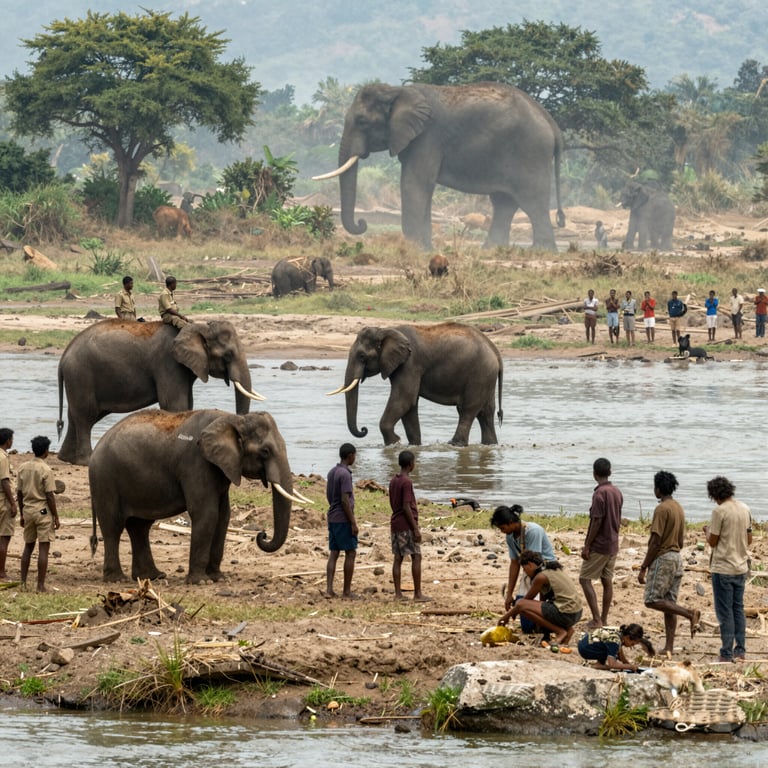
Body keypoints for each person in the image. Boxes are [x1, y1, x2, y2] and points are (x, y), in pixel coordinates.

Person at [638, 470, 701, 655]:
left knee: (652, 599)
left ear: (658, 488)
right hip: (677, 558)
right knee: (669, 603)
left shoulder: (662, 509)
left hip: (663, 558)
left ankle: (690, 613)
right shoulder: (678, 507)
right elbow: (681, 541)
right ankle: (669, 647)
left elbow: (656, 541)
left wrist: (644, 567)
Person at [704, 476, 752, 663]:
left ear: (714, 494)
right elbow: (749, 539)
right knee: (738, 609)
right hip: (741, 566)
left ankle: (726, 653)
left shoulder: (719, 511)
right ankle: (740, 650)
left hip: (723, 567)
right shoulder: (744, 508)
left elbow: (713, 541)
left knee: (725, 612)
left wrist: (707, 531)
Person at [491, 504, 556, 632]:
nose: (502, 531)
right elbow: (514, 563)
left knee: (531, 610)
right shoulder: (510, 537)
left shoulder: (533, 531)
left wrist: (523, 602)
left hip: (544, 570)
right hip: (529, 571)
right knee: (527, 626)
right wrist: (509, 594)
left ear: (511, 522)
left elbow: (534, 563)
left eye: (503, 527)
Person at [498, 551, 583, 646]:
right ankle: (568, 630)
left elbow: (523, 602)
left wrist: (506, 617)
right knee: (524, 608)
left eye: (524, 569)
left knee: (521, 605)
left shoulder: (540, 577)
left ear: (529, 565)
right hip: (576, 613)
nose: (525, 572)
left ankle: (560, 632)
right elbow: (542, 602)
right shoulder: (551, 569)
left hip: (566, 613)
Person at [580, 457, 623, 629]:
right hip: (613, 543)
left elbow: (596, 521)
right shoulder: (616, 492)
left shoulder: (599, 494)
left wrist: (587, 545)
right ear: (610, 472)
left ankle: (597, 618)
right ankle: (604, 619)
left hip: (600, 544)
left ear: (594, 474)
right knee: (607, 580)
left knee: (584, 579)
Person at [16, 435, 60, 593]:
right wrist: (55, 516)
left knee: (28, 546)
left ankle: (23, 583)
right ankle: (40, 586)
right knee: (43, 548)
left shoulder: (23, 467)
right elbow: (50, 495)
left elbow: (19, 494)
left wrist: (21, 513)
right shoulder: (46, 469)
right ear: (46, 451)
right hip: (42, 511)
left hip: (27, 510)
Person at [389, 450, 430, 602]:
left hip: (395, 523)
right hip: (406, 524)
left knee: (398, 558)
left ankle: (398, 594)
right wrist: (415, 528)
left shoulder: (394, 480)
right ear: (410, 464)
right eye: (414, 462)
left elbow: (394, 503)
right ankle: (418, 594)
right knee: (416, 556)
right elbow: (406, 506)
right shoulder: (407, 482)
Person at [325, 443, 359, 599]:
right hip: (343, 519)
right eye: (354, 455)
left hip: (333, 516)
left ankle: (329, 589)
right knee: (350, 553)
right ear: (350, 455)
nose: (355, 458)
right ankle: (346, 591)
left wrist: (334, 506)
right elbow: (345, 500)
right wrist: (352, 522)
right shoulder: (345, 474)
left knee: (334, 553)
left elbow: (329, 495)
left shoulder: (332, 472)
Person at [578, 623, 655, 671]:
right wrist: (629, 667)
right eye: (632, 644)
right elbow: (612, 664)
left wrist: (626, 662)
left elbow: (620, 650)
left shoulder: (620, 631)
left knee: (612, 649)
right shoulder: (615, 641)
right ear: (628, 637)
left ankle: (600, 663)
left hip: (583, 642)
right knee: (612, 657)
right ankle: (598, 665)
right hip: (585, 650)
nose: (631, 646)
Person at [0, 428, 18, 581]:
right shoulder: (3, 458)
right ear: (7, 441)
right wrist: (12, 503)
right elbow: (5, 481)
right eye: (11, 438)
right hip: (3, 501)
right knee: (4, 537)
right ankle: (1, 572)